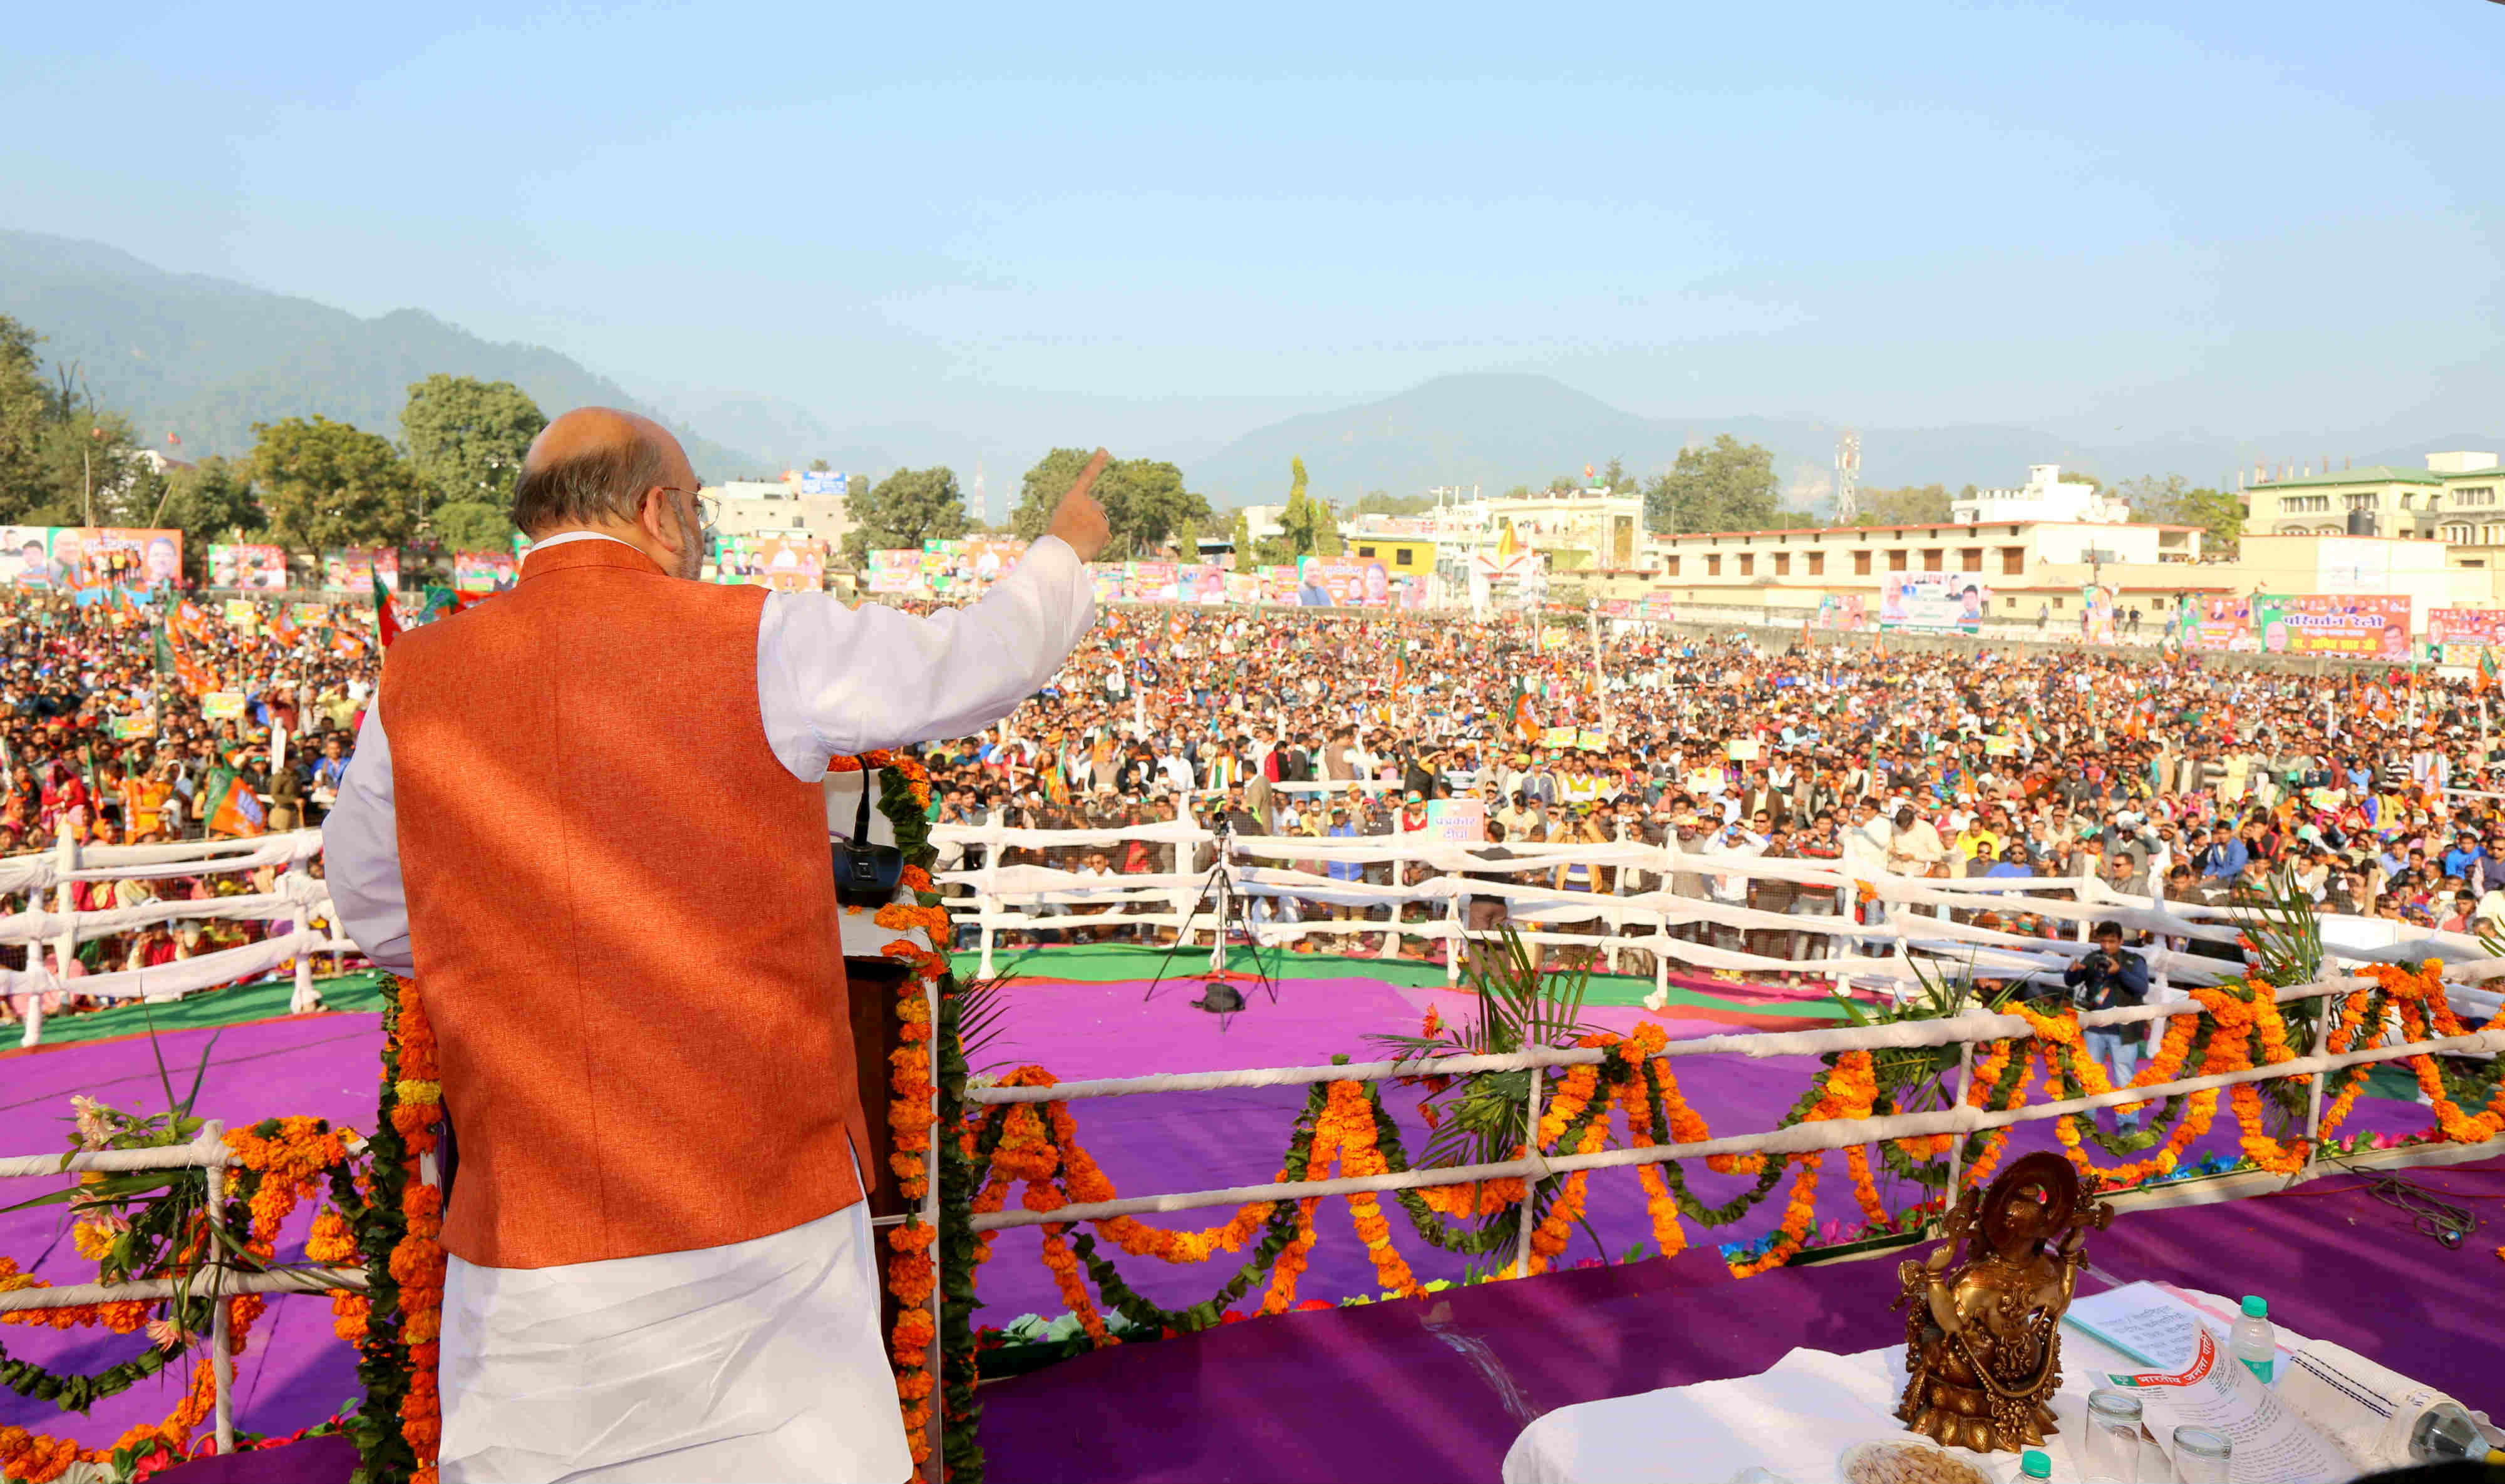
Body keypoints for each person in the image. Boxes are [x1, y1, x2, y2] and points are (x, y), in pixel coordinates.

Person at [324, 409, 1110, 1483]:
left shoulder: (418, 678)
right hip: (762, 1229)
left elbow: (373, 905)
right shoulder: (760, 637)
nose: (694, 532)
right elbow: (973, 663)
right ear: (657, 509)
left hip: (530, 1252)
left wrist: (520, 953)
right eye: (693, 507)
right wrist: (1063, 548)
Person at [2062, 921, 2152, 1135]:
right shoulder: (2093, 958)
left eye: (2111, 941)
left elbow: (2142, 988)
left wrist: (2120, 972)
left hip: (2124, 1029)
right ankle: (2086, 1119)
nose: (2107, 946)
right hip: (2095, 1027)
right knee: (2090, 1075)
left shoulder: (2134, 960)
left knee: (2125, 1078)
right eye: (2103, 941)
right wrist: (2073, 972)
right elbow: (2071, 982)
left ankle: (2128, 1121)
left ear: (2121, 941)